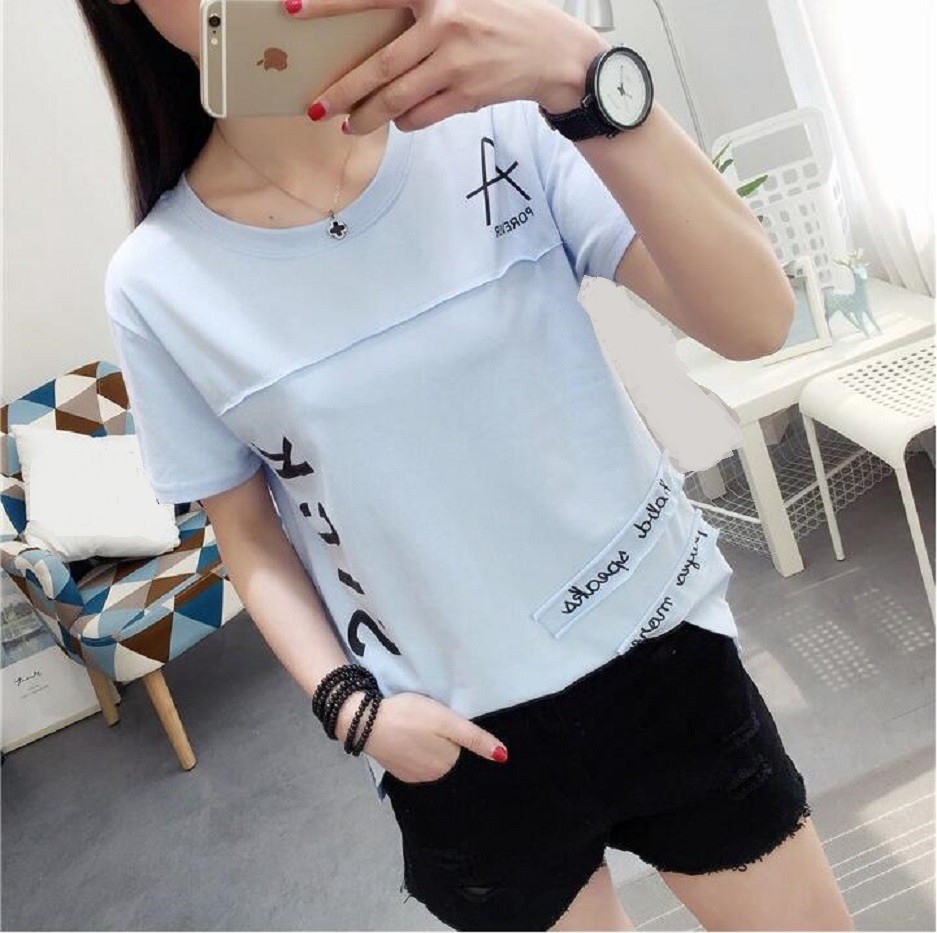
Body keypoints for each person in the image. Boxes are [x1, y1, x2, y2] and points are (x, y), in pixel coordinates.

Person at [80, 0, 855, 928]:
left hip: (657, 651)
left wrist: (580, 71)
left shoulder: (501, 118)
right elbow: (245, 532)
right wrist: (352, 710)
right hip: (451, 736)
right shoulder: (159, 280)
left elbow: (754, 319)